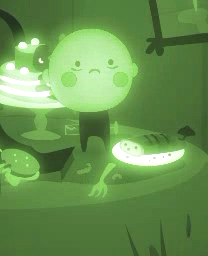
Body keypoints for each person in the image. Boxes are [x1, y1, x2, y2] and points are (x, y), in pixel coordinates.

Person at [41, 28, 139, 197]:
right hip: (85, 116)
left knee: (101, 133)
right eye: (77, 66)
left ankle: (100, 145)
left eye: (110, 63)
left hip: (100, 115)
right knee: (86, 135)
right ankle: (86, 146)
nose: (94, 72)